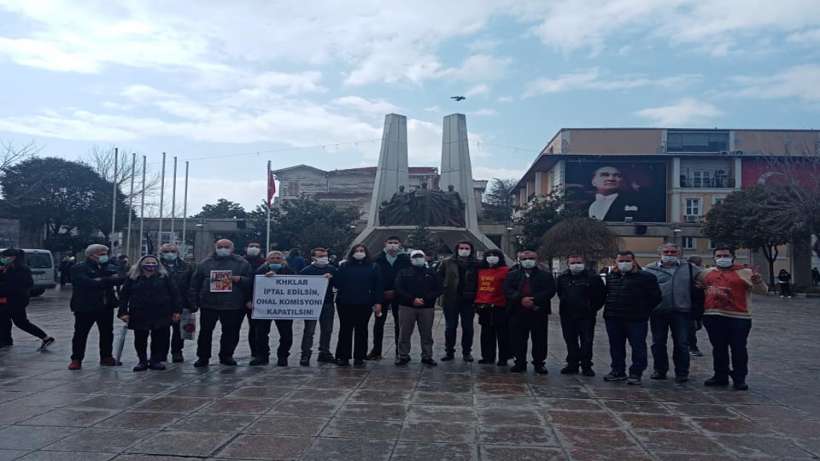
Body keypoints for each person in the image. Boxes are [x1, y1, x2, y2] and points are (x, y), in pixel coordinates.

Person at [697, 246, 767, 391]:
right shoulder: (706, 273)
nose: (722, 258)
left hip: (739, 316)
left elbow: (763, 291)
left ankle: (739, 378)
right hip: (713, 315)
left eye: (726, 255)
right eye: (719, 255)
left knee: (739, 348)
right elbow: (700, 287)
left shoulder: (745, 272)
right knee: (718, 348)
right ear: (714, 258)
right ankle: (720, 375)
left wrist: (758, 281)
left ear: (733, 257)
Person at [643, 243, 703, 384]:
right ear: (660, 253)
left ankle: (682, 372)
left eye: (673, 252)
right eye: (666, 251)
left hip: (682, 312)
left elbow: (705, 280)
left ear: (678, 253)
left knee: (682, 343)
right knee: (658, 343)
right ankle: (660, 370)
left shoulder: (689, 268)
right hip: (658, 312)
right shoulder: (650, 269)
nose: (669, 254)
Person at [189, 239, 252, 368]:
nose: (223, 248)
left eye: (226, 246)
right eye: (220, 246)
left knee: (231, 332)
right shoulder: (205, 263)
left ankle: (227, 355)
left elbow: (251, 282)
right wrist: (194, 301)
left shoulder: (242, 263)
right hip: (209, 303)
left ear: (232, 248)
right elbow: (195, 283)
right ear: (215, 247)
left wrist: (240, 279)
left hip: (233, 304)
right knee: (205, 332)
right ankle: (203, 357)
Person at [602, 251, 662, 385]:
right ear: (615, 262)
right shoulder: (612, 276)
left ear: (634, 261)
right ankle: (618, 371)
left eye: (627, 261)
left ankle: (636, 372)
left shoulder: (646, 277)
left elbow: (656, 297)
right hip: (613, 317)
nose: (624, 264)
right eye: (621, 261)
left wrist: (644, 310)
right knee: (616, 346)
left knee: (638, 346)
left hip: (636, 319)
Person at [117, 255, 182, 371]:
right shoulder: (133, 277)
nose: (151, 265)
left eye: (153, 263)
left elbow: (175, 294)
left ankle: (155, 360)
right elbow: (124, 295)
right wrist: (123, 312)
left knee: (159, 337)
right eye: (148, 263)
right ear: (141, 264)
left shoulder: (165, 276)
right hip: (139, 312)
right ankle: (142, 360)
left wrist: (177, 311)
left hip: (161, 312)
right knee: (140, 338)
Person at [68, 244, 124, 370]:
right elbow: (86, 283)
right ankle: (76, 359)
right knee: (81, 334)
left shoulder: (109, 266)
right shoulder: (79, 267)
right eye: (101, 254)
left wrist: (101, 280)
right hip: (85, 306)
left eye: (105, 253)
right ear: (91, 255)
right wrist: (107, 280)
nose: (105, 256)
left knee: (107, 333)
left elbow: (121, 278)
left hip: (106, 305)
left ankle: (106, 357)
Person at [503, 249, 556, 374]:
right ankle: (520, 362)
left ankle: (539, 363)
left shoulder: (545, 275)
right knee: (518, 339)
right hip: (517, 311)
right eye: (524, 259)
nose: (528, 261)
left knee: (540, 339)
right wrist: (520, 298)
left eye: (531, 259)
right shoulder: (512, 274)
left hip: (538, 311)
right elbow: (507, 289)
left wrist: (534, 299)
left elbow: (550, 290)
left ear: (536, 260)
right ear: (519, 261)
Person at [556, 255, 606, 376]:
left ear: (584, 263)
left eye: (578, 262)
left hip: (586, 315)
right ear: (568, 264)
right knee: (570, 340)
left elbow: (601, 295)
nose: (576, 265)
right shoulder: (562, 277)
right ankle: (572, 364)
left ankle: (586, 365)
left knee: (587, 341)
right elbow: (560, 292)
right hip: (567, 314)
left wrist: (592, 308)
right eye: (573, 263)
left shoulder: (593, 278)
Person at [334, 244, 382, 367]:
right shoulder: (344, 266)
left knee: (362, 329)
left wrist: (377, 302)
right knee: (345, 329)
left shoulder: (373, 266)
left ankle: (359, 357)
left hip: (364, 302)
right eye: (357, 251)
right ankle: (343, 356)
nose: (359, 252)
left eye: (362, 250)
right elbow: (338, 282)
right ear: (352, 253)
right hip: (345, 302)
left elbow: (378, 286)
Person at [0, 249, 55, 351]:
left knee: (21, 322)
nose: (3, 259)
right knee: (3, 320)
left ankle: (46, 338)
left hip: (16, 301)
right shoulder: (7, 268)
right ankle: (5, 341)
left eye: (5, 257)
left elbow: (15, 286)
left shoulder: (22, 269)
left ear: (13, 257)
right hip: (6, 300)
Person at [394, 250, 442, 367]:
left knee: (426, 333)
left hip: (427, 307)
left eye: (420, 256)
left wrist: (425, 299)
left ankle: (427, 356)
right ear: (411, 259)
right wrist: (412, 299)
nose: (418, 258)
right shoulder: (403, 272)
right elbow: (398, 288)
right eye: (415, 257)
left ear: (425, 258)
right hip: (407, 306)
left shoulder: (431, 272)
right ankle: (403, 356)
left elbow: (439, 289)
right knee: (404, 333)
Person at [249, 251, 295, 366]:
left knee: (286, 334)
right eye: (272, 258)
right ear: (267, 260)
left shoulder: (289, 271)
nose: (275, 260)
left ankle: (283, 356)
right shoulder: (259, 271)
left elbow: (297, 285)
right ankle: (262, 356)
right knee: (261, 333)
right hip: (264, 307)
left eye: (278, 258)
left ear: (283, 260)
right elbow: (251, 286)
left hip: (284, 308)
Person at [369, 236, 411, 360]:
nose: (392, 245)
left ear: (400, 244)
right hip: (381, 296)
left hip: (400, 296)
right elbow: (374, 279)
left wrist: (397, 291)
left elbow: (408, 278)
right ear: (385, 243)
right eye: (390, 242)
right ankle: (376, 351)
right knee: (378, 323)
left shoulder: (406, 259)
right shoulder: (377, 259)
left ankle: (400, 351)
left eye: (395, 243)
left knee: (400, 324)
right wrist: (381, 293)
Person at [437, 241, 479, 362]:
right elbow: (439, 277)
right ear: (457, 249)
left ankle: (467, 352)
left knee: (468, 327)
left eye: (467, 248)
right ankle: (449, 351)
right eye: (462, 248)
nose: (464, 250)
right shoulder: (447, 262)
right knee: (450, 327)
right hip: (451, 299)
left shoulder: (476, 263)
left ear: (471, 250)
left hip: (469, 300)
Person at [300, 247, 337, 365]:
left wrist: (332, 278)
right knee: (309, 331)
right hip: (311, 305)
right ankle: (305, 354)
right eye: (320, 256)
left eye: (325, 256)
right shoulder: (306, 271)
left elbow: (339, 284)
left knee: (327, 329)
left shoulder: (332, 269)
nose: (324, 258)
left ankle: (324, 352)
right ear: (313, 258)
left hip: (327, 303)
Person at [474, 249, 510, 366]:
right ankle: (487, 356)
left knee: (502, 333)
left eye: (495, 255)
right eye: (489, 255)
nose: (492, 257)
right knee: (486, 333)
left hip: (500, 306)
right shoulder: (480, 271)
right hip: (484, 306)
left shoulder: (506, 271)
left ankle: (503, 357)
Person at [158, 243, 193, 363]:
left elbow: (191, 285)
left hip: (182, 302)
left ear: (177, 253)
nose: (170, 254)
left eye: (172, 251)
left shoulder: (186, 266)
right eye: (166, 251)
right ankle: (161, 353)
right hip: (162, 303)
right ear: (161, 253)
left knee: (180, 331)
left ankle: (177, 352)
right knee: (162, 330)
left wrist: (192, 302)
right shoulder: (155, 265)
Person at [584, 166, 655, 222]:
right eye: (605, 175)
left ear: (622, 181)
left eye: (617, 175)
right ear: (593, 181)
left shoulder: (637, 203)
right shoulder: (583, 205)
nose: (611, 179)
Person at [243, 241, 266, 362]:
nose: (254, 248)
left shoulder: (265, 263)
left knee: (257, 328)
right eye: (251, 246)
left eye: (257, 247)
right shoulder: (241, 262)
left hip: (260, 300)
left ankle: (258, 352)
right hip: (244, 300)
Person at [687, 255, 705, 357]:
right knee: (691, 328)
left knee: (694, 327)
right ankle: (692, 347)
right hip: (690, 305)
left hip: (697, 305)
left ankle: (691, 346)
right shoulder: (689, 273)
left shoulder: (700, 273)